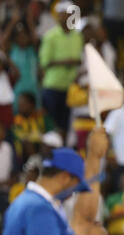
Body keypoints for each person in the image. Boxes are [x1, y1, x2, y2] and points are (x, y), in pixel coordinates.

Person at [2, 129, 109, 235]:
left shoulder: (26, 200)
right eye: (75, 187)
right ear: (64, 177)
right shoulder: (39, 207)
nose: (72, 194)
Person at [38, 0, 83, 134]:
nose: (62, 18)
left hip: (71, 89)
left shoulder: (78, 36)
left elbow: (80, 59)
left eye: (66, 15)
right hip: (53, 86)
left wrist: (76, 62)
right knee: (51, 126)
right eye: (60, 15)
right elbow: (44, 62)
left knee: (66, 127)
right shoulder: (50, 36)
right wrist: (65, 62)